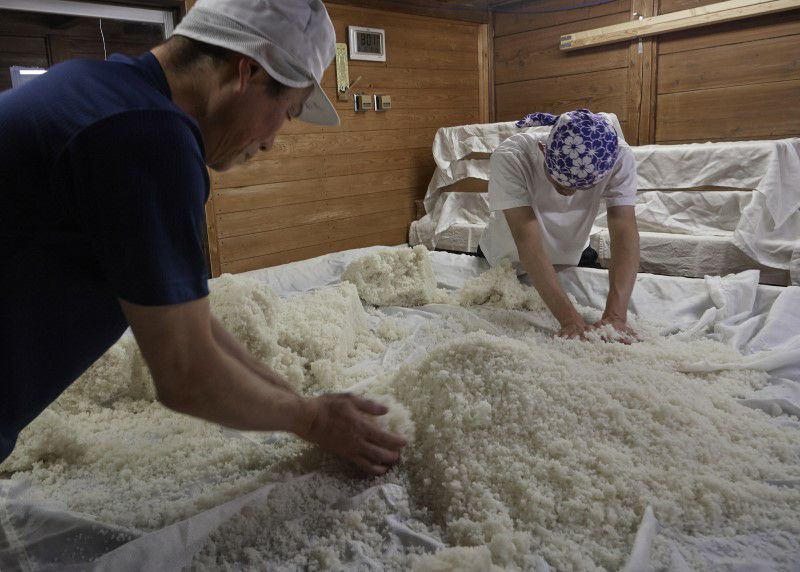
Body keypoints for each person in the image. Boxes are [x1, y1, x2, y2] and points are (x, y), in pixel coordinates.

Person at [0, 0, 406, 474]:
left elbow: (192, 325)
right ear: (248, 72)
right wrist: (312, 420)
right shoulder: (148, 135)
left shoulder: (101, 90)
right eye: (288, 111)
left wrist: (298, 401)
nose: (274, 140)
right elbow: (186, 373)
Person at [478, 109, 641, 341]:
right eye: (560, 183)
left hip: (571, 251)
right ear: (544, 150)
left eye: (579, 188)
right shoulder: (511, 156)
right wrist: (569, 320)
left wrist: (616, 316)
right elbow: (528, 244)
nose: (569, 192)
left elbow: (624, 229)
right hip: (507, 255)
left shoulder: (618, 155)